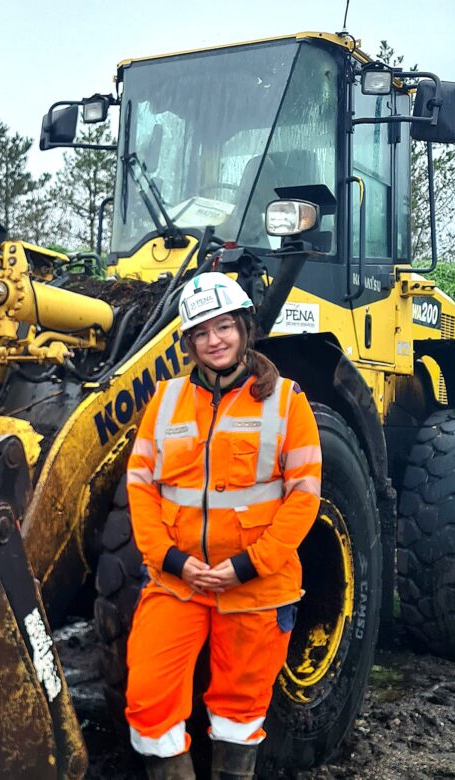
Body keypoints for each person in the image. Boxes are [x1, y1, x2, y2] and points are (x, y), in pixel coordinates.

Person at [123, 272, 322, 780]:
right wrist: (171, 559)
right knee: (148, 702)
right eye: (202, 332)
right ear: (187, 343)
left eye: (225, 327)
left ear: (245, 329)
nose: (215, 340)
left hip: (257, 586)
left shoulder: (287, 402)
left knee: (239, 714)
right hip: (176, 582)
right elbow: (141, 487)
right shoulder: (164, 402)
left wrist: (248, 565)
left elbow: (303, 497)